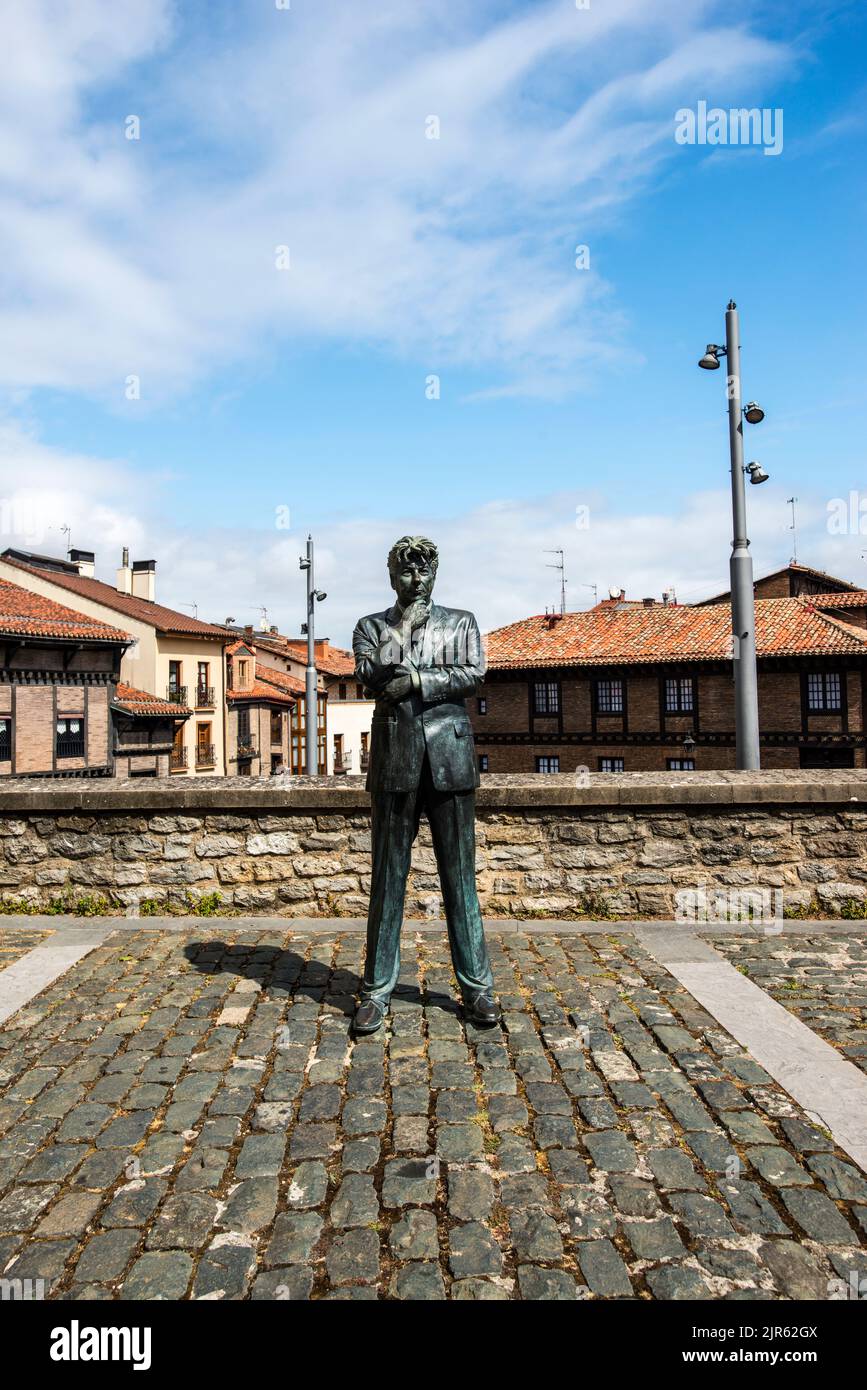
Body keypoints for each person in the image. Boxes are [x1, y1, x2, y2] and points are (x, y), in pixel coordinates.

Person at [351, 535, 498, 1034]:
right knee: (387, 879)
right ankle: (375, 990)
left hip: (450, 760)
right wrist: (403, 630)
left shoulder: (463, 623)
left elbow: (473, 672)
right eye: (407, 573)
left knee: (460, 880)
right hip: (395, 763)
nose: (417, 581)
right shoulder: (372, 627)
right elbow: (369, 674)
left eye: (424, 573)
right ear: (392, 576)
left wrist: (415, 680)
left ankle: (477, 988)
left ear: (436, 574)